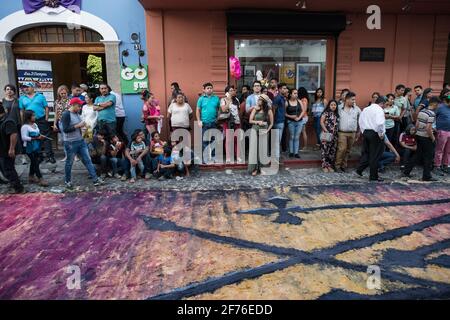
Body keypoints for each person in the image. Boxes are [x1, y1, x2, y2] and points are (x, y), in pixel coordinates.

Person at [61, 97, 104, 189]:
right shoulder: (66, 114)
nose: (80, 107)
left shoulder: (76, 113)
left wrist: (83, 128)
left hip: (80, 140)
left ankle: (95, 179)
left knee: (87, 160)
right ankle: (67, 181)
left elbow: (79, 125)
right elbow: (65, 129)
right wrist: (78, 126)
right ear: (73, 105)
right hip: (70, 143)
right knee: (69, 162)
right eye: (79, 106)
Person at [403, 96, 440, 181]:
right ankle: (426, 176)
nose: (438, 106)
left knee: (417, 154)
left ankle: (406, 171)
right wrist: (433, 137)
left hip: (419, 135)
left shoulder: (422, 111)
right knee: (428, 157)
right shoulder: (432, 114)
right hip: (426, 137)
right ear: (434, 104)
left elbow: (417, 124)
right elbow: (428, 128)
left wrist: (416, 132)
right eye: (437, 104)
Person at [19, 82, 55, 164]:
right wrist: (23, 122)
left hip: (41, 119)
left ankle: (50, 156)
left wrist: (46, 118)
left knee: (45, 137)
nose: (25, 88)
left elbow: (46, 108)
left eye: (27, 87)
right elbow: (21, 111)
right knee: (35, 139)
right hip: (29, 122)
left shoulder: (40, 96)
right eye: (24, 87)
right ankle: (39, 156)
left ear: (32, 87)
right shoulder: (22, 98)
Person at [356, 96, 386, 181]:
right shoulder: (379, 110)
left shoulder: (366, 109)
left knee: (368, 153)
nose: (384, 106)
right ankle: (373, 176)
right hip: (375, 133)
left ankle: (360, 169)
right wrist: (381, 133)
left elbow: (360, 121)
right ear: (382, 103)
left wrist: (363, 131)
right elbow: (380, 123)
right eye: (384, 105)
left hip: (366, 132)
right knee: (375, 156)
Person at [0, 102, 24, 193]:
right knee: (4, 168)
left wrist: (11, 148)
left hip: (7, 150)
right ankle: (12, 183)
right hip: (2, 149)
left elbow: (13, 134)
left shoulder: (8, 121)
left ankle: (18, 188)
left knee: (8, 169)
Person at [21, 110, 49, 187]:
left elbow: (38, 133)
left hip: (36, 146)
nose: (35, 117)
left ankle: (31, 176)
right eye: (33, 116)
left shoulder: (35, 125)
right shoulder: (25, 127)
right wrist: (36, 138)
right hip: (29, 148)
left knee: (34, 162)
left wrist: (41, 136)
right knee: (35, 162)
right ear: (28, 117)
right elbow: (24, 137)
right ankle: (40, 178)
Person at [248, 94, 274, 176]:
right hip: (255, 129)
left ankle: (262, 168)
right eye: (258, 99)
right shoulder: (255, 109)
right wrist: (257, 122)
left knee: (262, 150)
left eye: (260, 99)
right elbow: (250, 120)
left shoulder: (269, 110)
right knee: (254, 150)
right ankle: (254, 169)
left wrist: (267, 131)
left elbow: (271, 123)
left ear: (264, 101)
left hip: (264, 131)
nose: (258, 101)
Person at [335, 92, 361, 172]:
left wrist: (358, 132)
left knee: (348, 150)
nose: (354, 101)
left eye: (354, 99)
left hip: (352, 133)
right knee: (342, 149)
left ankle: (344, 165)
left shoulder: (357, 109)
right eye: (352, 99)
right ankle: (337, 166)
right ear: (346, 99)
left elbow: (360, 121)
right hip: (342, 132)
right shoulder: (339, 108)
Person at [196, 82, 220, 164]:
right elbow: (198, 110)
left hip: (213, 122)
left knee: (214, 141)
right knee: (205, 141)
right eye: (207, 88)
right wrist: (199, 120)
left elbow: (219, 109)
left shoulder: (216, 98)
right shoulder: (201, 99)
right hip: (204, 123)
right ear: (204, 90)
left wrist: (218, 118)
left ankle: (213, 157)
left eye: (210, 88)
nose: (209, 89)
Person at [220, 85, 242, 163]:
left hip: (236, 122)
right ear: (227, 92)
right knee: (229, 140)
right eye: (231, 90)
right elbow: (223, 109)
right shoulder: (223, 100)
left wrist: (240, 122)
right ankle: (228, 157)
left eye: (233, 90)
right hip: (228, 122)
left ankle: (238, 156)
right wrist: (228, 100)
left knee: (237, 139)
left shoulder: (236, 100)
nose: (233, 92)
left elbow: (238, 112)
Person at [3, 84, 24, 163]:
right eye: (7, 89)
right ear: (5, 91)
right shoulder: (2, 101)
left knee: (16, 143)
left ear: (14, 92)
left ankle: (14, 159)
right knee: (6, 143)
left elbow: (21, 112)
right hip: (5, 125)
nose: (9, 91)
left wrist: (22, 123)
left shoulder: (17, 101)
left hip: (16, 124)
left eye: (11, 89)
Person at [320, 100, 339, 172]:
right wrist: (326, 131)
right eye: (332, 105)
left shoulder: (337, 114)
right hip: (326, 135)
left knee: (332, 151)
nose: (333, 106)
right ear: (329, 105)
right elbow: (321, 122)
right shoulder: (326, 113)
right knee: (325, 151)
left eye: (335, 105)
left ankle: (329, 166)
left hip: (334, 136)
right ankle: (324, 166)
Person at [286, 89, 306, 159]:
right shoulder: (287, 102)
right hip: (291, 122)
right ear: (291, 94)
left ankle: (296, 153)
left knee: (297, 137)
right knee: (292, 137)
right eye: (294, 93)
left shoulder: (299, 101)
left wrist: (299, 117)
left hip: (299, 121)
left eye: (297, 93)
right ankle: (291, 152)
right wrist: (291, 116)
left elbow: (303, 111)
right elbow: (284, 113)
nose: (296, 95)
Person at [434, 93, 450, 174]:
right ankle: (437, 166)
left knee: (448, 150)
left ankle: (446, 165)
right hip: (442, 131)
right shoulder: (440, 107)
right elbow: (433, 117)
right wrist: (434, 128)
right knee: (440, 149)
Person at [272, 83, 288, 160]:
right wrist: (273, 120)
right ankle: (276, 157)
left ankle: (276, 156)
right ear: (280, 89)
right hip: (277, 121)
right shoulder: (278, 98)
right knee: (277, 141)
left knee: (278, 140)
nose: (286, 90)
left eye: (286, 88)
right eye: (284, 88)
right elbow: (273, 109)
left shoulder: (282, 97)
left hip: (281, 120)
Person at [298, 87, 310, 151]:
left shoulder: (304, 99)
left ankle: (305, 147)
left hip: (303, 117)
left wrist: (299, 117)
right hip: (303, 117)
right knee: (302, 132)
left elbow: (304, 110)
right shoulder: (303, 99)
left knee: (303, 132)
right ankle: (302, 146)